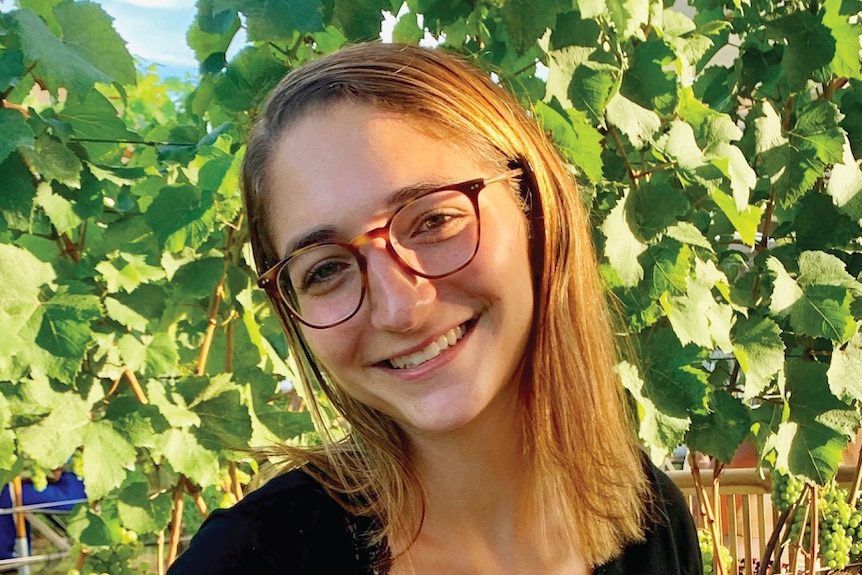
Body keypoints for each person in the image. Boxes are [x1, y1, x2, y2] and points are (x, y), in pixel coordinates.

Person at [168, 43, 701, 574]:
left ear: (535, 208)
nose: (401, 309)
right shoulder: (248, 562)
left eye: (433, 221)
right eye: (325, 268)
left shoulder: (650, 522)